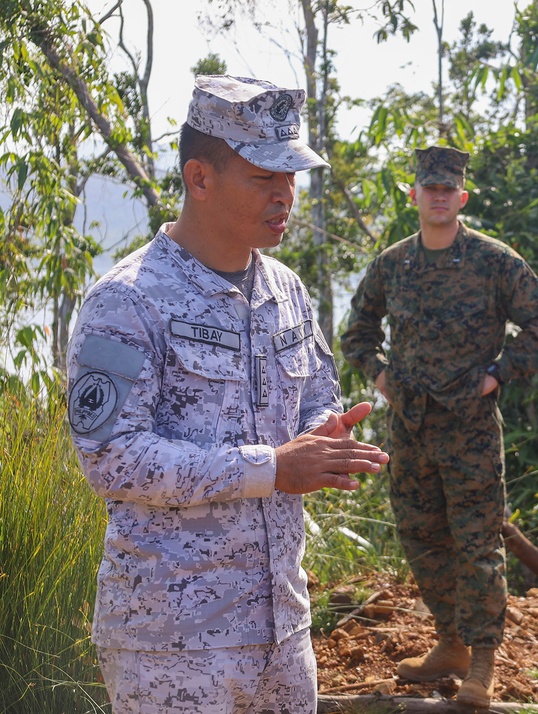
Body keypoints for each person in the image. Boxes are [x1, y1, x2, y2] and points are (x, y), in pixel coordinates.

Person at [66, 75, 389, 714]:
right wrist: (273, 468)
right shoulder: (126, 301)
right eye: (263, 177)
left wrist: (326, 435)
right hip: (171, 644)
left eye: (290, 177)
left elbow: (312, 397)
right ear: (200, 177)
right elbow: (111, 460)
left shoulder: (285, 291)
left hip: (282, 631)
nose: (284, 195)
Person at [340, 146, 538, 707]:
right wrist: (381, 376)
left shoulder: (492, 260)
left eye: (448, 190)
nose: (438, 198)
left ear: (461, 198)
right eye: (428, 189)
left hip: (470, 431)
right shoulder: (394, 263)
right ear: (413, 196)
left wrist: (497, 376)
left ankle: (482, 663)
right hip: (410, 429)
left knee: (478, 546)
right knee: (422, 539)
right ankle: (450, 642)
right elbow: (356, 332)